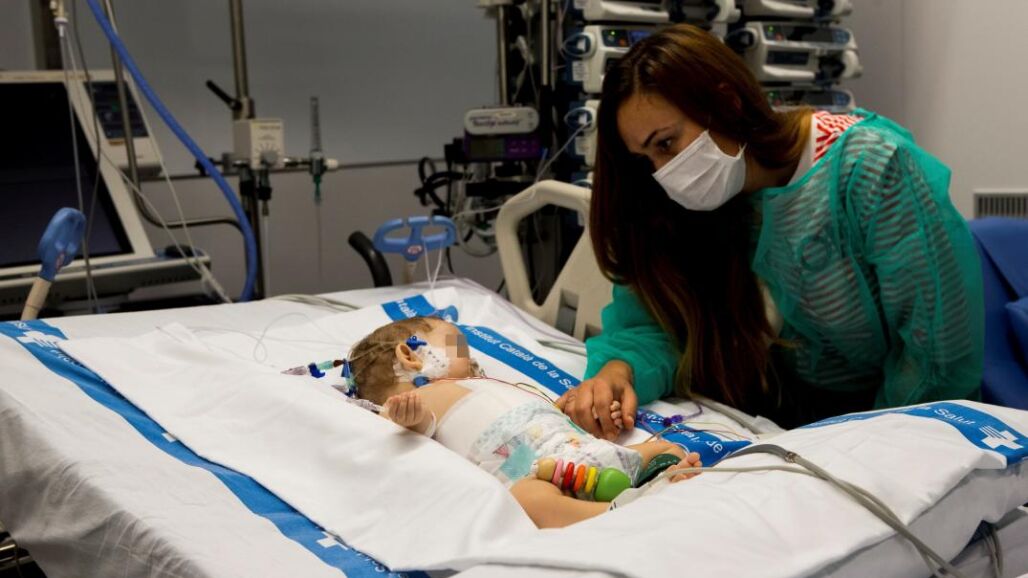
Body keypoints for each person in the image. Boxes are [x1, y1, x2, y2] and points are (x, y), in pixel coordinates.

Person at [558, 23, 984, 436]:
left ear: (727, 103)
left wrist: (869, 447)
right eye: (646, 159)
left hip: (901, 429)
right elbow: (659, 324)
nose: (664, 174)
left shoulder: (872, 171)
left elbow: (937, 359)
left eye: (667, 143)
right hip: (791, 419)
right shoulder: (703, 199)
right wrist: (620, 370)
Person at [346, 316, 701, 528]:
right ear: (412, 354)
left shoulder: (483, 383)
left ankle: (661, 473)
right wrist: (409, 417)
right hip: (537, 474)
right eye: (458, 346)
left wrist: (567, 413)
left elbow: (533, 413)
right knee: (529, 502)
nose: (471, 359)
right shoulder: (417, 401)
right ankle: (604, 513)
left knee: (663, 447)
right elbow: (411, 428)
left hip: (582, 450)